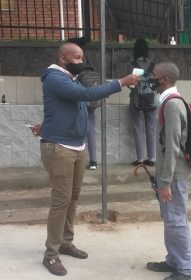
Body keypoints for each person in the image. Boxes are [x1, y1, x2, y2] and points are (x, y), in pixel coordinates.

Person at [39, 42, 139, 276]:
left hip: (76, 146)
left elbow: (68, 108)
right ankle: (51, 254)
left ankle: (66, 242)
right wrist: (120, 83)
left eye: (82, 56)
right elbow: (84, 95)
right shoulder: (54, 77)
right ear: (64, 59)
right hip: (60, 148)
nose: (81, 61)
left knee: (73, 197)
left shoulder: (71, 78)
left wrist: (46, 124)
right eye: (77, 57)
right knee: (61, 200)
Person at [146, 62, 191, 280]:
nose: (151, 79)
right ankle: (174, 261)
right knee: (171, 219)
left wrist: (165, 182)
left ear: (165, 79)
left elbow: (173, 146)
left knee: (176, 220)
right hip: (169, 174)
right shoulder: (167, 101)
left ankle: (185, 270)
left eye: (154, 76)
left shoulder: (173, 105)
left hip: (174, 175)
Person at [67, 37, 99, 170]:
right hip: (92, 100)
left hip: (80, 100)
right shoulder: (88, 59)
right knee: (91, 129)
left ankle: (77, 160)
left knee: (78, 129)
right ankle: (93, 161)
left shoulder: (74, 59)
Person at [129, 39, 156, 166]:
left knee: (138, 128)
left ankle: (140, 159)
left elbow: (131, 84)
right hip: (151, 101)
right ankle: (151, 159)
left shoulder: (134, 65)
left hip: (136, 100)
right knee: (151, 128)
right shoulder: (153, 66)